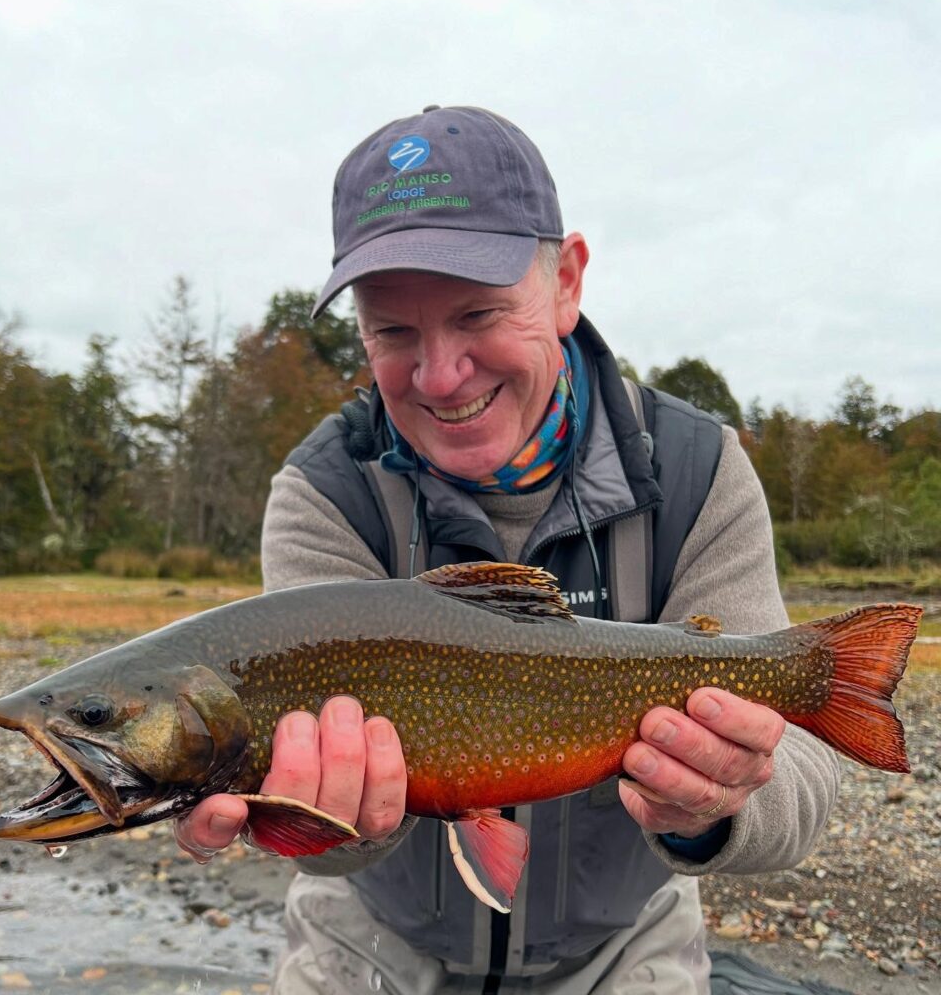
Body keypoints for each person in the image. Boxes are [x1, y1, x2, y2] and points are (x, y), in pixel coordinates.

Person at [175, 105, 840, 993]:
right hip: (371, 936)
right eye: (393, 332)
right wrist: (326, 824)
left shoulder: (696, 471)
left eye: (479, 313)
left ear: (566, 282)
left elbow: (801, 787)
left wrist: (711, 809)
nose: (441, 374)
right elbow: (327, 854)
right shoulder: (324, 493)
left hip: (625, 942)